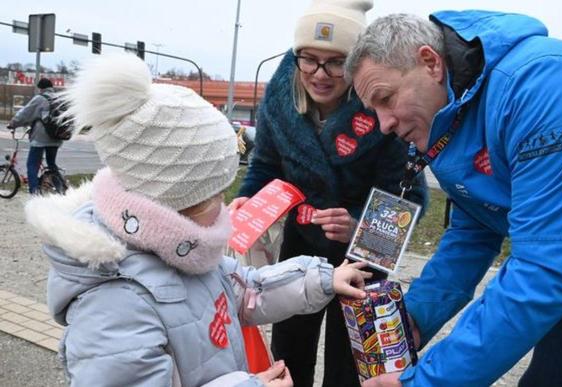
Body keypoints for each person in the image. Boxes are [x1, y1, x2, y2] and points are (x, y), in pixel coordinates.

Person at [345, 11, 562, 387]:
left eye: (386, 99)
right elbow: (473, 233)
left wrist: (428, 381)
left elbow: (546, 268)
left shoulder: (545, 88)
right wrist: (413, 320)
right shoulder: (452, 123)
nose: (383, 125)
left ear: (430, 62)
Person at [24, 53, 374, 387]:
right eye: (215, 194)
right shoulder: (116, 305)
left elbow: (247, 288)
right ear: (178, 202)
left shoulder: (185, 252)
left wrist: (324, 278)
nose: (224, 206)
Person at [229, 1, 428, 386]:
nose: (319, 74)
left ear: (357, 62)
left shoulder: (385, 105)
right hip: (300, 248)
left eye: (335, 62)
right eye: (308, 59)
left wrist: (356, 226)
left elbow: (405, 195)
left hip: (363, 258)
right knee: (289, 353)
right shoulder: (281, 97)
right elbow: (266, 163)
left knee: (350, 363)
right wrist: (249, 201)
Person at [7, 78, 62, 194]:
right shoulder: (58, 98)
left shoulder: (40, 99)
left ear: (40, 88)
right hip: (57, 137)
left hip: (40, 138)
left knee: (32, 164)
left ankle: (34, 193)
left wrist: (12, 124)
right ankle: (61, 188)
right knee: (51, 163)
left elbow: (25, 113)